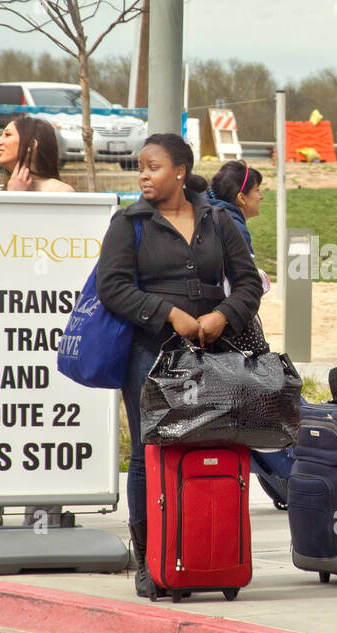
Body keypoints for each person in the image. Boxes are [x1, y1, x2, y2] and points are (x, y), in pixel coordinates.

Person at [95, 133, 263, 598]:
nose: (144, 175)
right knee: (151, 450)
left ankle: (206, 552)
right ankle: (152, 557)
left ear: (181, 171)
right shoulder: (129, 222)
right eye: (141, 168)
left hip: (214, 352)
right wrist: (168, 313)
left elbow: (248, 283)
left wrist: (221, 315)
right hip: (149, 352)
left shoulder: (216, 218)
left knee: (212, 445)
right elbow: (112, 287)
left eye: (153, 167)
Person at [208, 160, 271, 294]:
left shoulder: (205, 212)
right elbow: (244, 283)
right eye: (257, 190)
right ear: (241, 198)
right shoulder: (235, 228)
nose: (261, 197)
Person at [0, 117, 74, 192]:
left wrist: (16, 196)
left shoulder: (59, 191)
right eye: (1, 135)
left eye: (7, 135)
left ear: (31, 144)